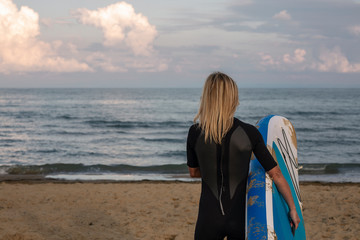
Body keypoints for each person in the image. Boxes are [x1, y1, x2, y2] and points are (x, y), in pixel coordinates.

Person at [186, 72, 300, 240]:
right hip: (239, 218)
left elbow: (194, 172)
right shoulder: (249, 133)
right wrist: (292, 208)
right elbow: (275, 174)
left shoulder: (194, 133)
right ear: (233, 98)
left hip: (207, 218)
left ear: (207, 98)